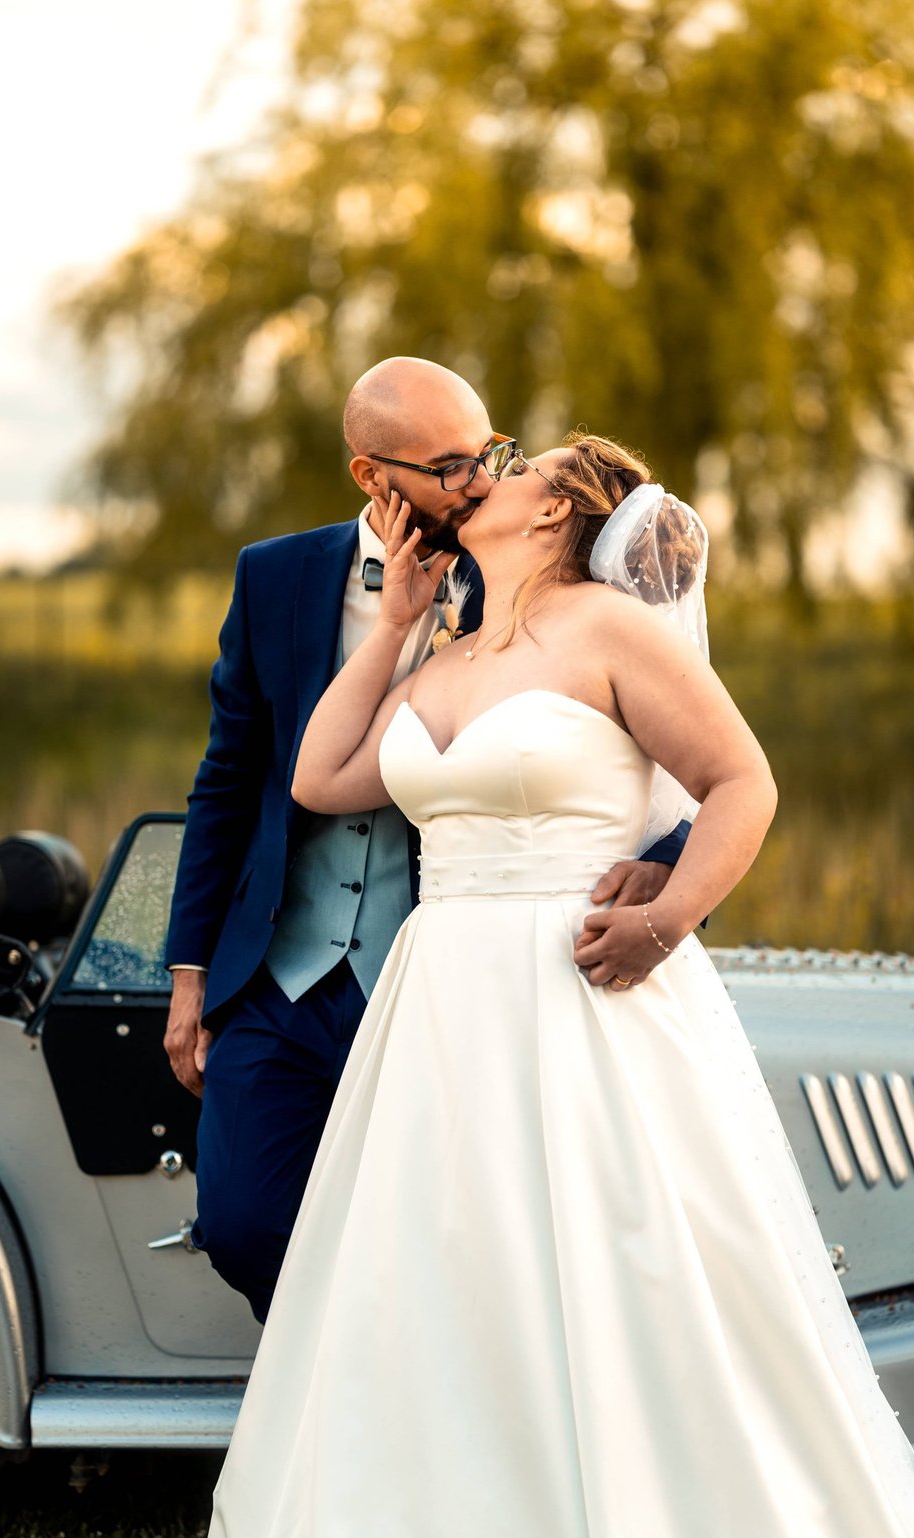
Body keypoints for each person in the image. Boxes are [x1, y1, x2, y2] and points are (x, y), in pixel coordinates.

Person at [207, 435, 914, 1537]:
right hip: (441, 1004)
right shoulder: (446, 653)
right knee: (449, 1262)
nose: (482, 475)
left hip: (577, 993)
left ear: (556, 511)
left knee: (617, 1263)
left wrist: (666, 917)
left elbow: (740, 779)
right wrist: (397, 622)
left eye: (513, 468)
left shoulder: (609, 630)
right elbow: (319, 776)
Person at [162, 360, 688, 1321]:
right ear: (372, 476)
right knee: (242, 1225)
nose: (480, 482)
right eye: (450, 467)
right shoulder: (274, 577)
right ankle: (332, 1380)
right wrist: (190, 969)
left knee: (440, 1237)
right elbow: (231, 781)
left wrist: (664, 874)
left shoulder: (532, 580)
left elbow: (663, 754)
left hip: (443, 976)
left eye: (491, 454)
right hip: (277, 974)